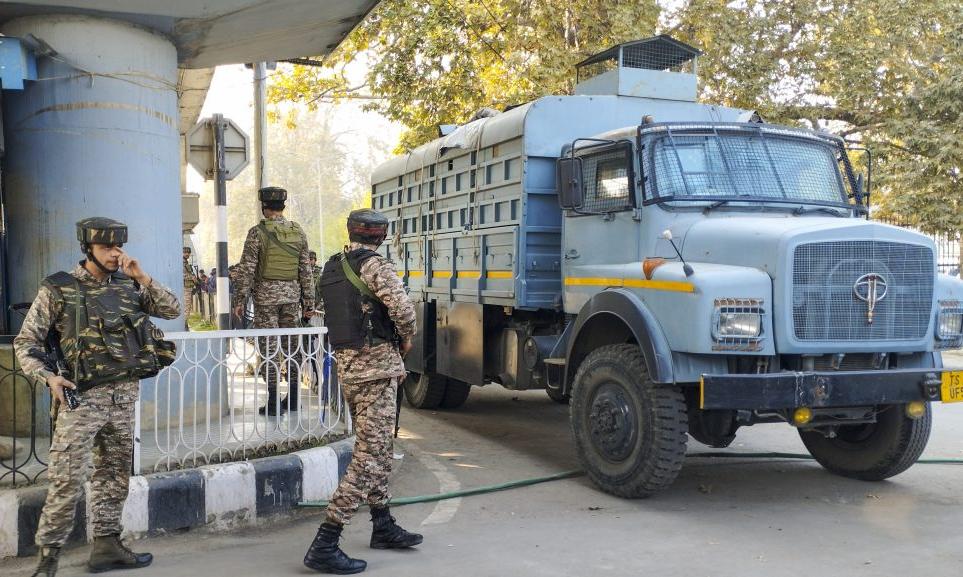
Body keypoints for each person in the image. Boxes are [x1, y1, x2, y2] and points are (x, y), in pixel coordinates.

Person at [14, 217, 181, 577]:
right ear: (87, 248)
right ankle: (48, 559)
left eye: (118, 246)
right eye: (107, 247)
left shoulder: (129, 285)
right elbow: (25, 342)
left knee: (115, 475)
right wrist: (48, 377)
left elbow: (172, 309)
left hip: (123, 398)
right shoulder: (59, 289)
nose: (115, 253)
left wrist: (142, 277)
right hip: (81, 400)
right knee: (67, 478)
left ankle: (106, 546)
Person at [304, 209, 420, 574]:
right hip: (377, 369)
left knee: (380, 446)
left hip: (350, 368)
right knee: (370, 455)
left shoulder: (332, 266)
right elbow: (403, 312)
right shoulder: (377, 266)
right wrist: (406, 338)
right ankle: (327, 539)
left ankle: (382, 524)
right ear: (381, 235)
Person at [231, 186, 314, 415]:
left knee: (269, 348)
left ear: (263, 206)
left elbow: (247, 269)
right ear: (283, 206)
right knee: (292, 348)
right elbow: (305, 270)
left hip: (266, 299)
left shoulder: (257, 233)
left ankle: (273, 402)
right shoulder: (298, 232)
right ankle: (295, 398)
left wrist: (239, 299)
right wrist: (309, 303)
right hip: (291, 298)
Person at [183, 246, 196, 317]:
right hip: (185, 288)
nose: (187, 254)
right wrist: (192, 277)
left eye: (188, 252)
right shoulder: (181, 263)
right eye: (185, 252)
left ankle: (185, 324)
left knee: (187, 307)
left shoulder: (186, 263)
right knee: (186, 308)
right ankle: (184, 325)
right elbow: (181, 275)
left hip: (188, 287)